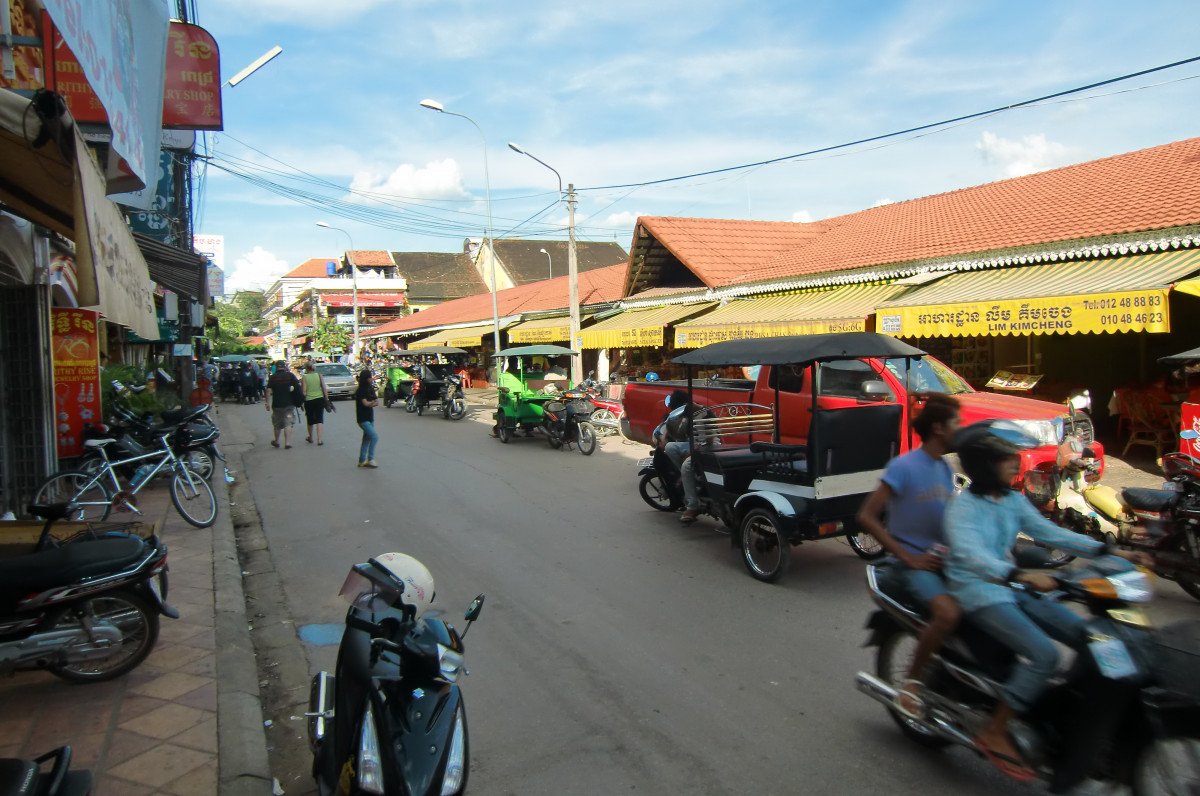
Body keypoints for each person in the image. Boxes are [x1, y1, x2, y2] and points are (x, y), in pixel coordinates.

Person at [944, 420, 1150, 782]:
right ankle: (995, 731)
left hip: (1014, 589)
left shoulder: (1011, 499)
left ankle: (1067, 716)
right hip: (979, 592)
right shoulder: (963, 510)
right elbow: (972, 556)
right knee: (1044, 655)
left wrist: (1109, 548)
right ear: (983, 463)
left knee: (1091, 638)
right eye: (1005, 458)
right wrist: (1016, 575)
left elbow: (1048, 533)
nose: (1014, 463)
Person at [856, 393, 962, 721]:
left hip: (941, 561)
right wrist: (908, 557)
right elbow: (867, 516)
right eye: (956, 422)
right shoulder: (904, 466)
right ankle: (913, 684)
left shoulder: (945, 467)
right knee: (946, 614)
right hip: (908, 567)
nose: (961, 428)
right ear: (939, 427)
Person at [653, 390, 701, 523]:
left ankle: (692, 505)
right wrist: (663, 437)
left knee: (686, 467)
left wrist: (692, 451)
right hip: (692, 445)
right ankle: (686, 478)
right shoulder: (680, 415)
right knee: (670, 447)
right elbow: (669, 424)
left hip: (704, 447)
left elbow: (708, 440)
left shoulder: (700, 414)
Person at [265, 361, 300, 449]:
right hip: (289, 403)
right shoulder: (290, 376)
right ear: (285, 367)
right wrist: (299, 400)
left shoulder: (272, 378)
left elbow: (268, 391)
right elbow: (297, 387)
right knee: (288, 422)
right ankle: (287, 443)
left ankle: (276, 441)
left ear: (276, 367)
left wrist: (267, 403)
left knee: (277, 423)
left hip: (277, 404)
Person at [354, 369, 380, 468]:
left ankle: (361, 460)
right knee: (374, 437)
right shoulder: (361, 390)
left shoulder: (370, 389)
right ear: (366, 379)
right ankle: (370, 459)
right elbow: (365, 403)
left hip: (370, 417)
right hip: (362, 418)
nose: (371, 379)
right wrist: (372, 403)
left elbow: (376, 402)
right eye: (370, 377)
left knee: (367, 439)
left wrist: (372, 403)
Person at [302, 361, 331, 445]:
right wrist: (327, 399)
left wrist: (302, 401)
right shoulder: (319, 375)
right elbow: (324, 388)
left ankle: (310, 437)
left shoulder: (304, 377)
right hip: (319, 399)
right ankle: (319, 440)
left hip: (309, 400)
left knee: (310, 419)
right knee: (319, 419)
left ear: (307, 368)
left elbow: (304, 391)